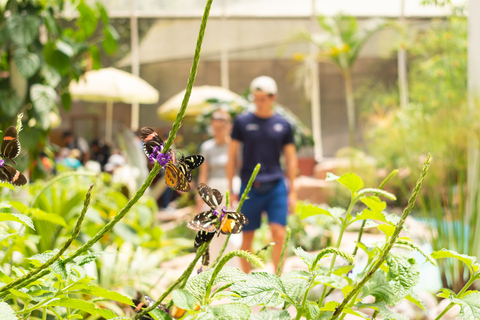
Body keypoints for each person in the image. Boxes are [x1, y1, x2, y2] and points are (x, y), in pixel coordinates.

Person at [226, 75, 297, 274]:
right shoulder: (242, 122)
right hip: (250, 186)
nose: (258, 102)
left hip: (276, 185)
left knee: (279, 233)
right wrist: (231, 188)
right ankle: (246, 282)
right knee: (247, 236)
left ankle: (278, 280)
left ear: (273, 97)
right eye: (255, 98)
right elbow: (231, 157)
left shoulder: (284, 124)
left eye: (262, 98)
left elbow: (291, 159)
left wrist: (293, 191)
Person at [196, 109, 241, 265]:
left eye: (220, 128)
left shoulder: (235, 145)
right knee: (211, 231)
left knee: (230, 230)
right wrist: (200, 196)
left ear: (228, 127)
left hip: (232, 187)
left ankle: (232, 270)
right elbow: (203, 174)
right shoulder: (207, 147)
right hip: (213, 189)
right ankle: (211, 269)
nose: (216, 132)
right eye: (214, 128)